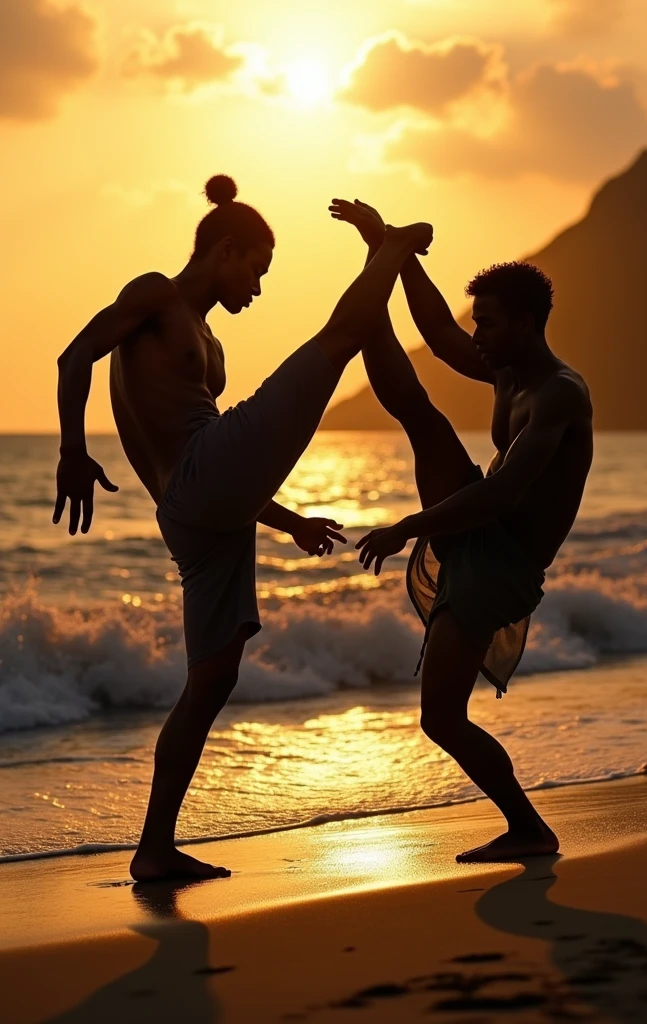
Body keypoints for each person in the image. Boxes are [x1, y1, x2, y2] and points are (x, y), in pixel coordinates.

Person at [54, 174, 433, 882]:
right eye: (256, 269)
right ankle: (391, 243)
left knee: (212, 681)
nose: (256, 289)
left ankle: (153, 848)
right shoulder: (156, 296)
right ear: (226, 250)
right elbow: (75, 357)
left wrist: (285, 520)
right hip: (197, 484)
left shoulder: (211, 346)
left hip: (200, 512)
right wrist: (73, 450)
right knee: (340, 337)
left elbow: (231, 474)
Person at [330, 198, 593, 862]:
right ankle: (375, 276)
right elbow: (442, 337)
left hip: (503, 562)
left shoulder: (560, 393)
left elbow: (507, 491)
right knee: (421, 414)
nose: (477, 334)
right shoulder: (509, 371)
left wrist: (409, 526)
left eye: (490, 323)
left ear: (527, 325)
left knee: (440, 718)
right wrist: (399, 254)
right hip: (479, 529)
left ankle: (529, 830)